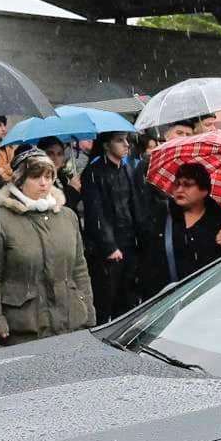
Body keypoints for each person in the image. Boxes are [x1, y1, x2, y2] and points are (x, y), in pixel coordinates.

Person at [0, 149, 93, 347]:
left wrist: (88, 310)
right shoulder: (1, 219)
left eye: (48, 176)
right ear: (20, 180)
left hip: (70, 322)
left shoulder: (67, 217)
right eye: (36, 176)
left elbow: (79, 269)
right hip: (24, 327)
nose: (44, 183)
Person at [80, 130, 146, 323]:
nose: (126, 144)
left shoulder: (127, 169)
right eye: (119, 140)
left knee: (127, 299)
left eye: (126, 140)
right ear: (106, 144)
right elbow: (95, 212)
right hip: (107, 248)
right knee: (104, 300)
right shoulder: (94, 172)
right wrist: (109, 245)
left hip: (129, 242)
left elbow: (135, 205)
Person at [159, 162, 221, 285]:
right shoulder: (165, 218)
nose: (179, 190)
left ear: (204, 190)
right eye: (177, 184)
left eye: (187, 185)